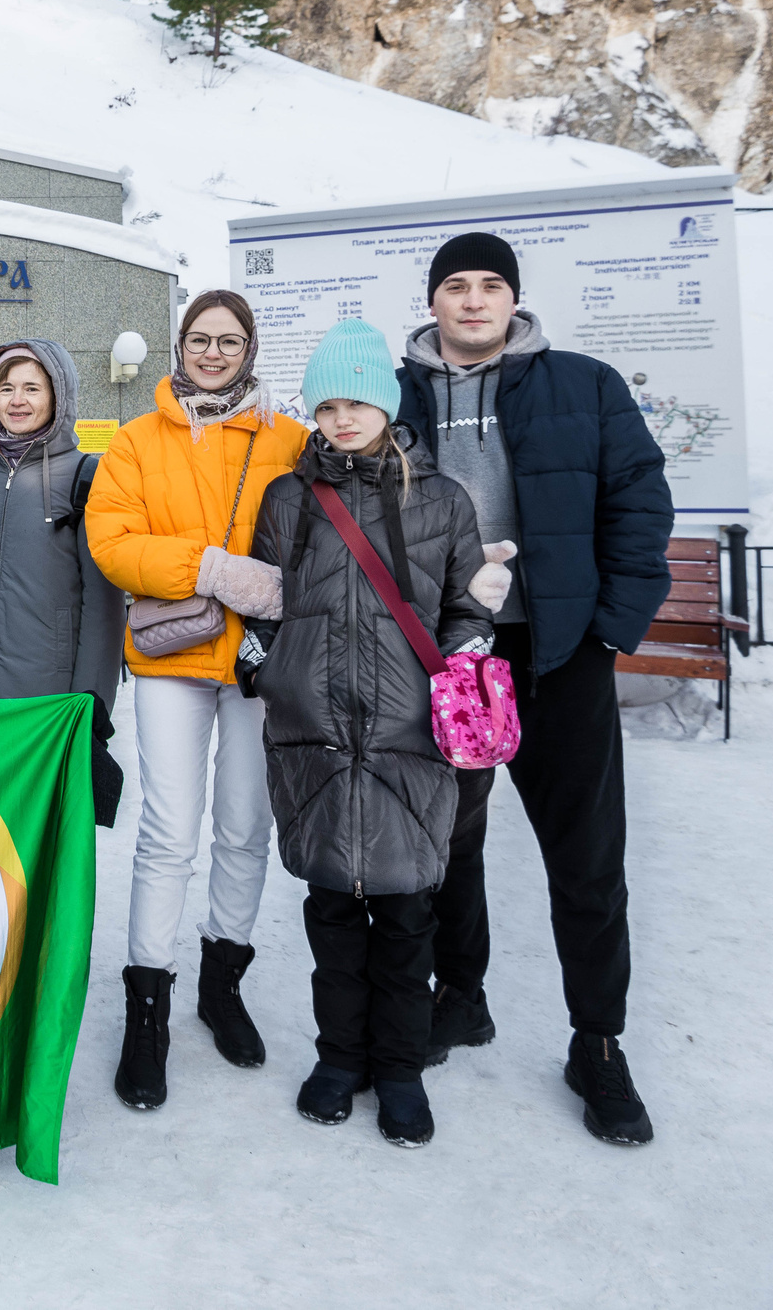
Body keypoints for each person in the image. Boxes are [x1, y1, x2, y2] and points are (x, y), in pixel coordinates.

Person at [394, 231, 674, 1147]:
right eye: (456, 287)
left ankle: (597, 1042)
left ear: (513, 299)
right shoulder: (397, 396)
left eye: (491, 286)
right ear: (432, 300)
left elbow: (639, 500)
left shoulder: (582, 383)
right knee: (449, 842)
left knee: (586, 858)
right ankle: (460, 995)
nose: (473, 302)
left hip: (558, 656)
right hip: (454, 659)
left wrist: (607, 627)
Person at [238, 320, 498, 1148]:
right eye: (326, 405)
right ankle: (339, 1058)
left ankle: (400, 1069)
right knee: (332, 914)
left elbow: (462, 609)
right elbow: (262, 603)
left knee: (407, 916)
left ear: (385, 403)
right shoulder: (288, 500)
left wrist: (462, 663)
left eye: (356, 402)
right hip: (312, 735)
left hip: (409, 736)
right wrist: (266, 669)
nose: (341, 419)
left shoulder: (442, 500)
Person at [86, 290, 310, 1110]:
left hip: (260, 661)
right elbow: (112, 541)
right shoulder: (140, 440)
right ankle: (149, 1006)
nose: (213, 352)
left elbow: (321, 536)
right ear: (180, 344)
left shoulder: (289, 438)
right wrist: (212, 568)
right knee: (169, 829)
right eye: (200, 338)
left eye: (229, 340)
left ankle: (224, 979)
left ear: (250, 348)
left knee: (246, 824)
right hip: (173, 658)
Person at [0, 338, 125, 805]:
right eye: (6, 388)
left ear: (57, 396)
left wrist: (90, 703)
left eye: (32, 388)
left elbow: (102, 606)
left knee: (33, 826)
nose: (17, 400)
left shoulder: (87, 475)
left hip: (45, 698)